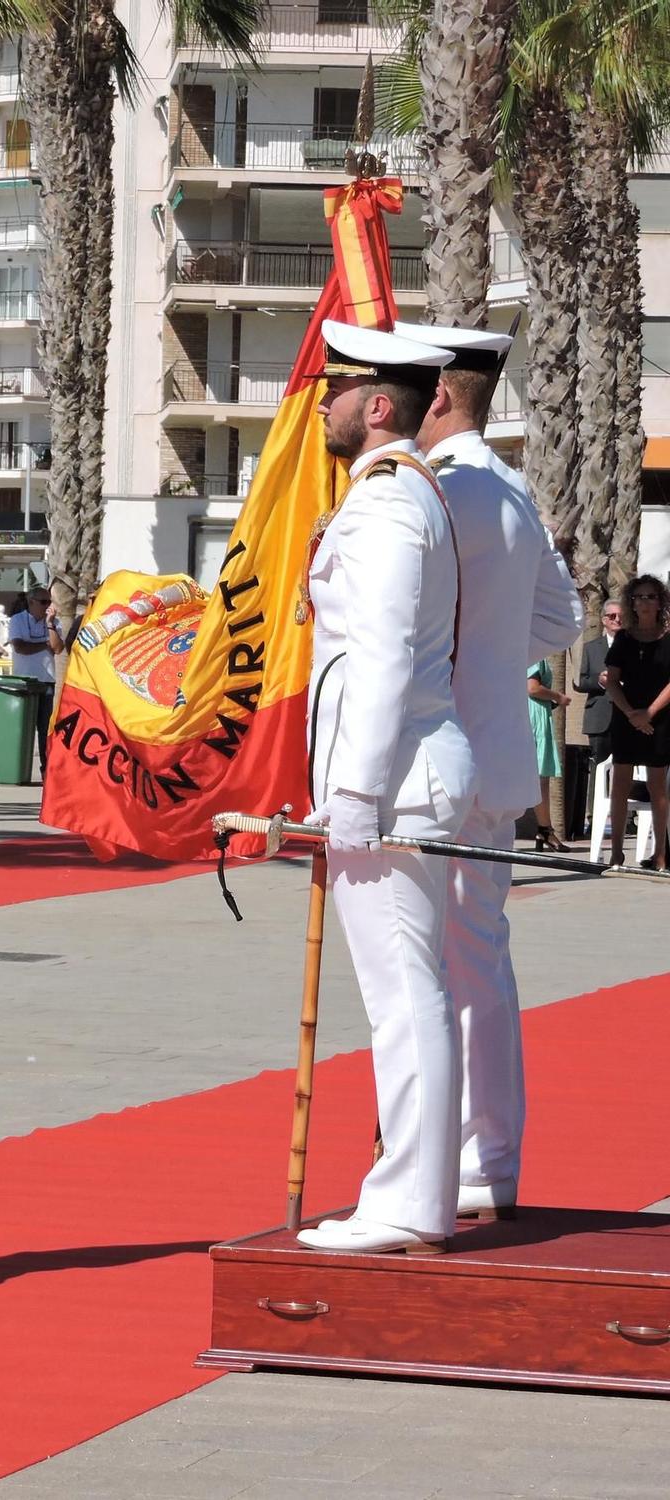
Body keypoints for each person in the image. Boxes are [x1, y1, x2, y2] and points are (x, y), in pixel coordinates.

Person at [296, 321, 472, 1256]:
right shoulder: (388, 496)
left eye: (334, 391)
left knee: (406, 998)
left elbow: (384, 661)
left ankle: (408, 1201)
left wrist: (352, 797)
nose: (319, 406)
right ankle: (411, 1193)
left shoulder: (388, 506)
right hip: (399, 778)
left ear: (375, 407)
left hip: (394, 784)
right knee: (409, 995)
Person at [403, 319, 583, 1229]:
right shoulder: (511, 488)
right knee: (481, 963)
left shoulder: (436, 493)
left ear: (436, 394)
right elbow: (563, 616)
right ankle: (490, 1159)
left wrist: (465, 654)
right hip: (499, 756)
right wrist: (494, 652)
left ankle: (431, 1164)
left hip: (437, 764)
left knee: (421, 970)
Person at [602, 573, 670, 870]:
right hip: (626, 716)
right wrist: (631, 713)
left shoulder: (668, 638)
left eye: (650, 596)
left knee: (658, 786)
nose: (644, 602)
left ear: (660, 602)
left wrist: (649, 713)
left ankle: (661, 854)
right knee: (620, 785)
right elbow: (612, 681)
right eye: (639, 597)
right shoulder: (624, 639)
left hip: (661, 718)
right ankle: (616, 852)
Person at [2, 584, 63, 779]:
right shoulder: (17, 620)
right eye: (43, 602)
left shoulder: (53, 622)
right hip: (24, 680)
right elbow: (20, 647)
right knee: (23, 728)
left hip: (46, 681)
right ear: (31, 602)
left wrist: (50, 624)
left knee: (45, 728)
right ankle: (17, 769)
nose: (47, 606)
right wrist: (42, 645)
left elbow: (57, 648)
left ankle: (47, 770)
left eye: (49, 602)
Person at [577, 597, 623, 767]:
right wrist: (600, 681)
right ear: (604, 620)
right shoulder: (591, 648)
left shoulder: (635, 647)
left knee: (625, 770)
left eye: (621, 616)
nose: (617, 619)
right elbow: (580, 682)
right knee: (597, 770)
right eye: (612, 616)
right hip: (599, 718)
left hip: (627, 718)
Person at [527, 662, 569, 849]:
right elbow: (532, 688)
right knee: (539, 778)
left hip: (535, 712)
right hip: (534, 716)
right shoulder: (533, 651)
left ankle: (544, 829)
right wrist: (558, 696)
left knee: (539, 778)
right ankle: (544, 829)